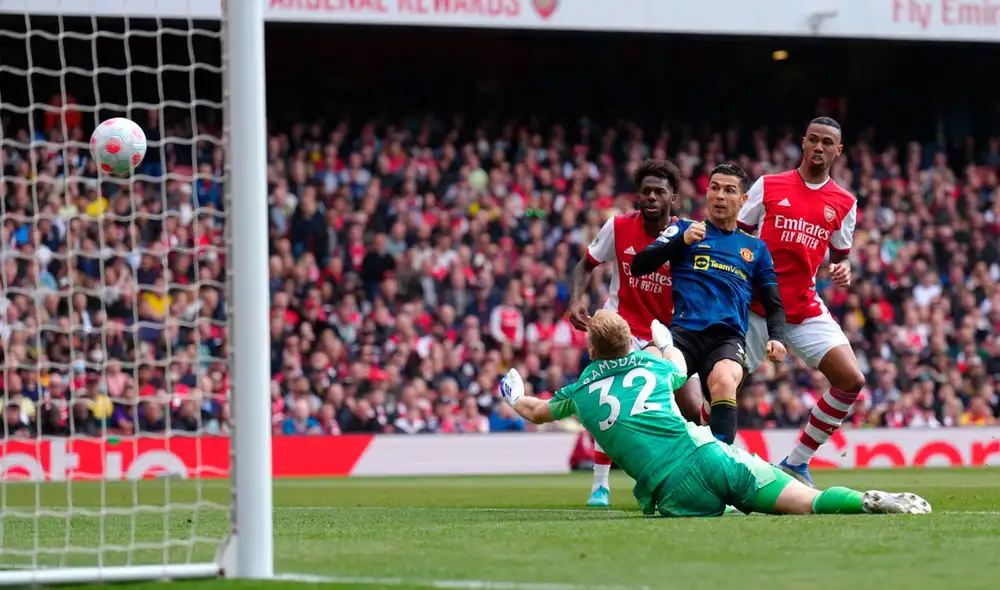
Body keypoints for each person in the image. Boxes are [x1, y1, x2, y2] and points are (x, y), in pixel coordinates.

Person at [499, 310, 932, 518]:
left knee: (722, 514)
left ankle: (733, 506)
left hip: (672, 491)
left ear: (592, 349)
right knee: (809, 503)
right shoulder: (651, 365)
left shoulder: (580, 392)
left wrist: (514, 396)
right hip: (709, 454)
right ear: (628, 341)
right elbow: (678, 366)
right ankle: (863, 500)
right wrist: (664, 341)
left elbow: (536, 411)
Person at [566, 158, 702, 507]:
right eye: (646, 191)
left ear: (673, 197)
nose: (652, 197)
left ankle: (698, 476)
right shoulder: (619, 226)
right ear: (638, 196)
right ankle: (600, 486)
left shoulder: (689, 235)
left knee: (692, 406)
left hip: (666, 333)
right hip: (620, 326)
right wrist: (576, 299)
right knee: (608, 401)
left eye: (660, 191)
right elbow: (585, 264)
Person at [737, 117, 863, 486]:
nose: (819, 147)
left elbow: (841, 256)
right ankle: (700, 467)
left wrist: (843, 269)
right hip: (755, 308)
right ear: (804, 142)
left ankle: (796, 463)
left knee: (851, 380)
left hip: (803, 307)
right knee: (721, 389)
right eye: (814, 140)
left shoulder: (845, 203)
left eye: (828, 142)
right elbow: (735, 234)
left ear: (838, 150)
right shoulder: (769, 185)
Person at [630, 163, 787, 445]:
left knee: (725, 381)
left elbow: (773, 303)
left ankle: (719, 463)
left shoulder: (756, 248)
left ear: (743, 199)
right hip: (683, 333)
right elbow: (638, 266)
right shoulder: (683, 229)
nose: (720, 196)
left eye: (729, 190)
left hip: (726, 339)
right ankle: (652, 455)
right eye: (715, 188)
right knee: (648, 367)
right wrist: (680, 242)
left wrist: (776, 337)